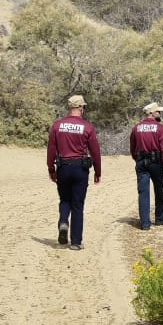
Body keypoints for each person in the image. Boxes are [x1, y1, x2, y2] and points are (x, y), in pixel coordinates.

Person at [47, 94, 101, 249]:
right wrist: (98, 171)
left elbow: (51, 150)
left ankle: (64, 221)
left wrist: (51, 169)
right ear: (81, 108)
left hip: (63, 167)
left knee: (65, 200)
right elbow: (95, 151)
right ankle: (76, 242)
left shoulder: (57, 126)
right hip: (80, 168)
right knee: (77, 204)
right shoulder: (87, 127)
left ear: (69, 108)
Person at [129, 101, 163, 230]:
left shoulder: (136, 128)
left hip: (141, 162)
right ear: (152, 113)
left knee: (143, 192)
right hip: (156, 162)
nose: (160, 113)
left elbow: (132, 147)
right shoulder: (160, 128)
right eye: (158, 111)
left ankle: (145, 224)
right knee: (159, 191)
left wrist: (137, 159)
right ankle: (160, 219)